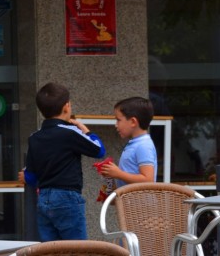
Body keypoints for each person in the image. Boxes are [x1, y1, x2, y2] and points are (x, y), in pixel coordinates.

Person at [23, 82, 106, 240]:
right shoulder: (71, 132)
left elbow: (31, 177)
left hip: (43, 198)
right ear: (66, 106)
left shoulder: (34, 137)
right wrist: (85, 130)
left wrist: (27, 176)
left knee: (50, 250)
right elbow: (99, 150)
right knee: (76, 250)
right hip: (68, 197)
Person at [98, 96, 158, 189]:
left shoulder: (143, 145)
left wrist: (118, 174)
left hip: (140, 199)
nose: (116, 125)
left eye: (118, 120)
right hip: (128, 198)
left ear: (133, 122)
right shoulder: (135, 144)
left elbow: (148, 180)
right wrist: (111, 174)